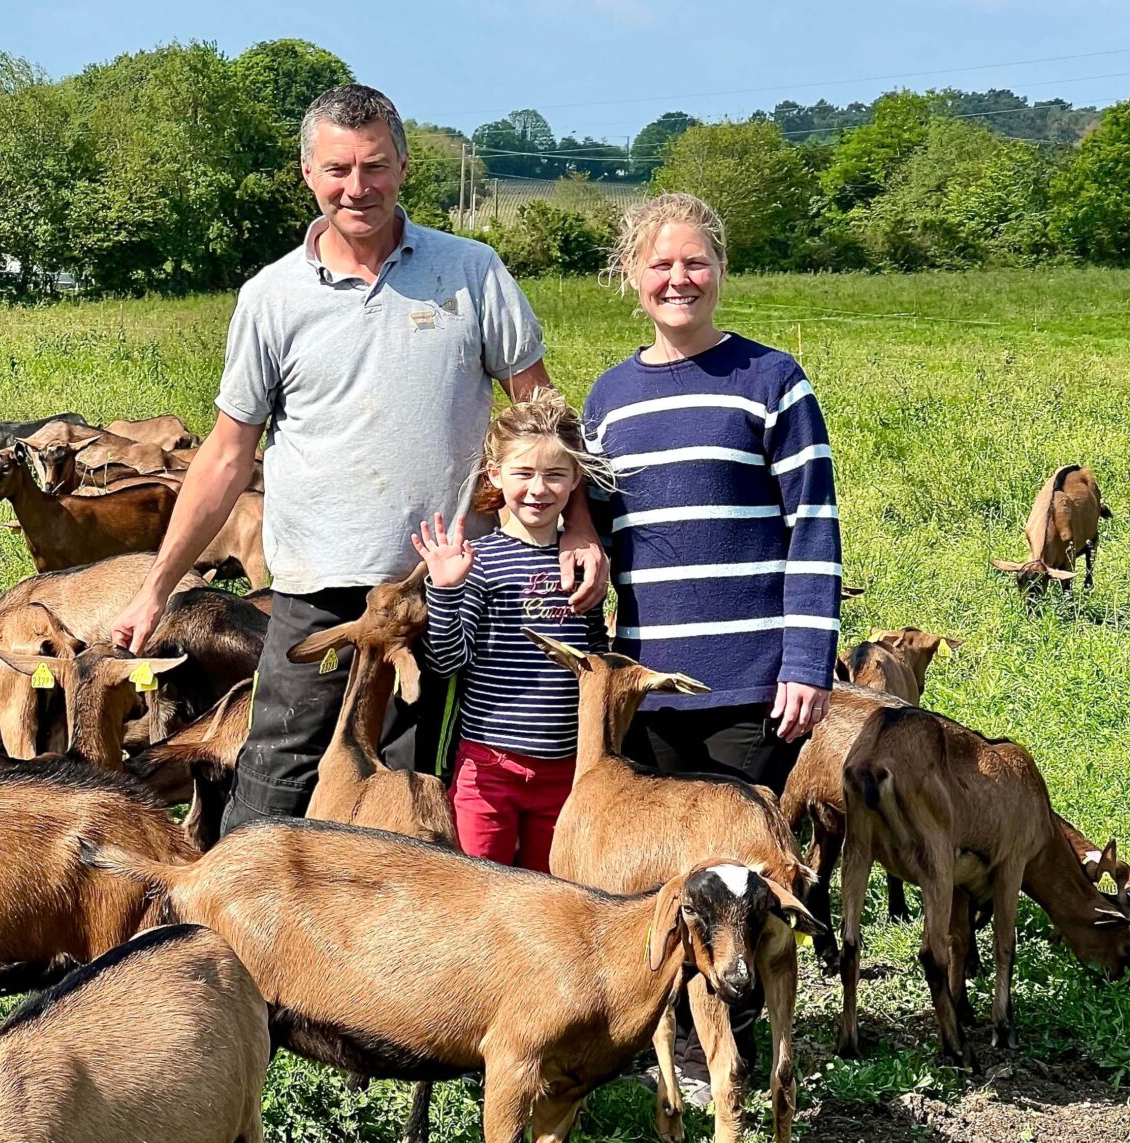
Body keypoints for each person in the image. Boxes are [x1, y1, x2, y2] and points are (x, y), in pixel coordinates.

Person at [109, 84, 607, 836]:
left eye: (374, 165)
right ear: (308, 174)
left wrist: (579, 523)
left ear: (404, 166)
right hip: (314, 583)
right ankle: (236, 942)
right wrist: (156, 587)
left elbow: (542, 413)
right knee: (277, 773)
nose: (357, 187)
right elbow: (225, 454)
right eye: (338, 168)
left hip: (433, 588)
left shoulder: (470, 272)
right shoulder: (272, 296)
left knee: (403, 793)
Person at [583, 191, 841, 1104]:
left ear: (720, 272)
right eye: (660, 264)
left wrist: (807, 662)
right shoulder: (609, 400)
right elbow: (599, 529)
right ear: (632, 278)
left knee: (741, 878)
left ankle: (749, 1056)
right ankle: (678, 1052)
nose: (678, 278)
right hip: (652, 686)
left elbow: (814, 525)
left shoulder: (772, 380)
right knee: (667, 879)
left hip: (749, 682)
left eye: (695, 262)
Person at [413, 391, 610, 873]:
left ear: (575, 480)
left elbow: (597, 659)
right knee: (481, 890)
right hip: (488, 766)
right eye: (523, 473)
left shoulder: (582, 565)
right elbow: (447, 662)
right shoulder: (480, 564)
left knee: (550, 892)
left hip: (565, 768)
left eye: (555, 474)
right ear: (495, 475)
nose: (538, 489)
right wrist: (444, 590)